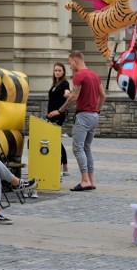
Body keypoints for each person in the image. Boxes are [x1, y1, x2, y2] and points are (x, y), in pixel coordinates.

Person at [48, 50, 104, 192]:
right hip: (94, 116)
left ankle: (85, 181)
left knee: (78, 148)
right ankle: (91, 180)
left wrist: (59, 110)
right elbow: (103, 96)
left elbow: (73, 97)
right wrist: (97, 110)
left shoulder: (79, 76)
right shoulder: (95, 75)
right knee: (86, 148)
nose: (70, 66)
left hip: (83, 116)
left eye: (70, 63)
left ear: (75, 61)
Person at [46, 62, 71, 176]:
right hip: (51, 115)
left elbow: (67, 91)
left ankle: (61, 166)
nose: (57, 72)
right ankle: (65, 167)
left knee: (55, 140)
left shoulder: (64, 83)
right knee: (56, 140)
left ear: (63, 72)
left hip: (58, 115)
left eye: (59, 70)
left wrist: (67, 93)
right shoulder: (54, 84)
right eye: (55, 70)